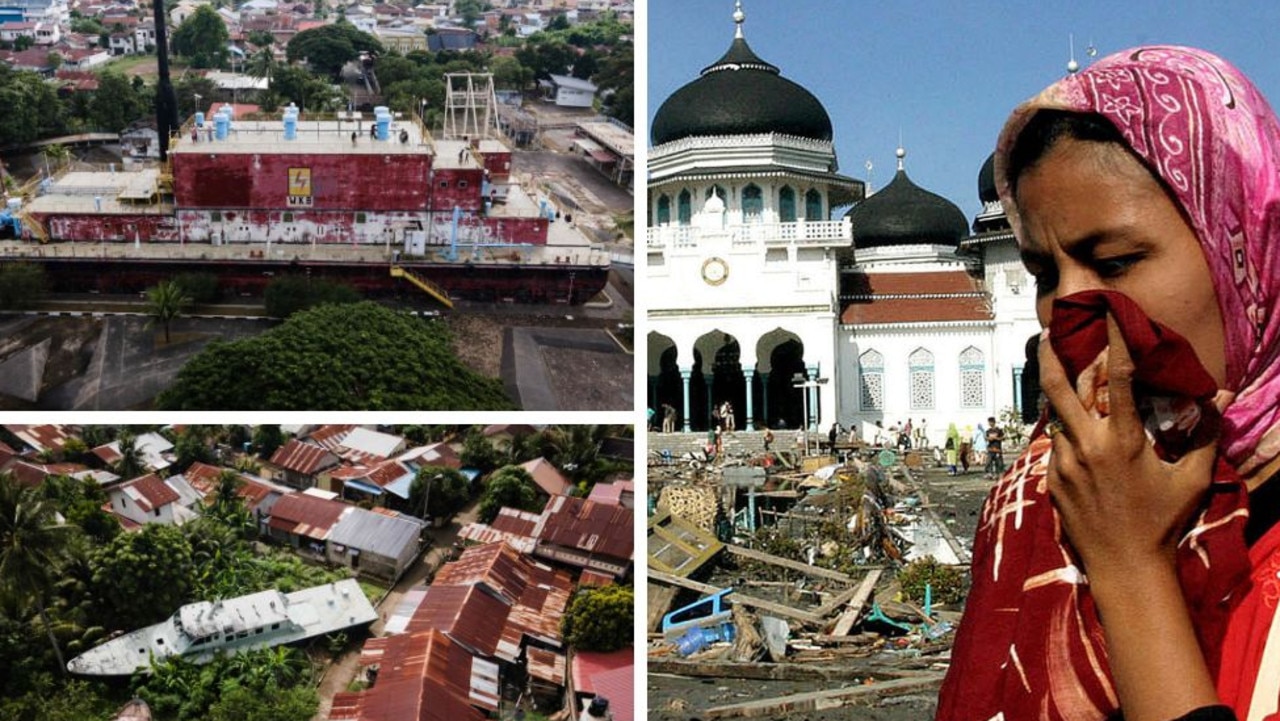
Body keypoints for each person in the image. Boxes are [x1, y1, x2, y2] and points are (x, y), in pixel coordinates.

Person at [938, 47, 1280, 721]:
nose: (1070, 308)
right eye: (1043, 273)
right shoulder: (1048, 493)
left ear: (1245, 245)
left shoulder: (1113, 512)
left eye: (1115, 261)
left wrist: (1129, 567)